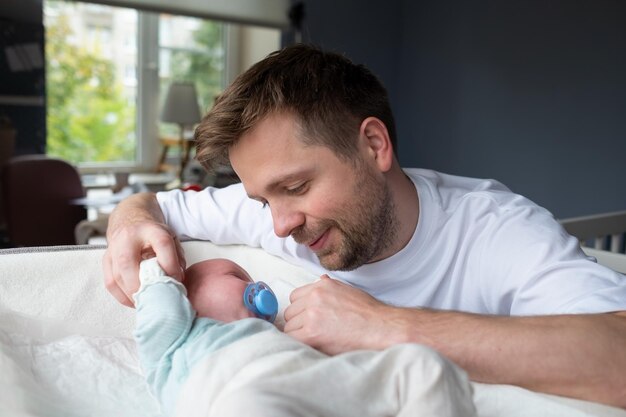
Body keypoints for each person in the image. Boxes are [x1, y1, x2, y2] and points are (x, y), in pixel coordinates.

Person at [104, 43, 626, 408]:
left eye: (296, 187)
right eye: (263, 199)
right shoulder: (276, 209)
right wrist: (127, 226)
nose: (281, 225)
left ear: (373, 145)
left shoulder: (497, 231)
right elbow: (151, 205)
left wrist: (385, 327)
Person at [134, 257, 476, 417]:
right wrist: (156, 274)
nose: (256, 285)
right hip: (242, 394)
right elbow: (159, 313)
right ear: (187, 299)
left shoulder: (277, 332)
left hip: (319, 383)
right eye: (236, 274)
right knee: (250, 407)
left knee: (421, 364)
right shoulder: (177, 343)